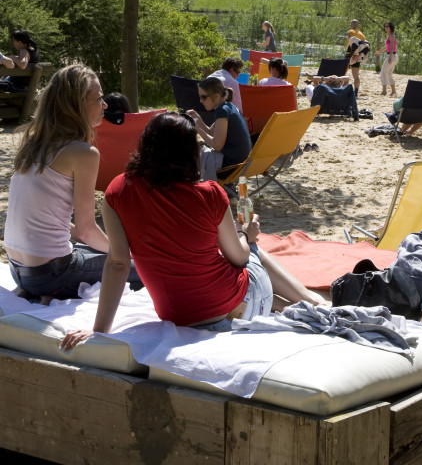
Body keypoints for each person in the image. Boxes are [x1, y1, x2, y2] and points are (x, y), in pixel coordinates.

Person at [60, 112, 327, 350]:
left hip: (178, 315)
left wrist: (98, 332)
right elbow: (239, 258)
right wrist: (246, 233)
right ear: (191, 152)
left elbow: (118, 263)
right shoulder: (211, 194)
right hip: (230, 304)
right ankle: (313, 303)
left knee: (239, 268)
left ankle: (298, 304)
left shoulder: (117, 191)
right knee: (255, 252)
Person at [3, 64, 142, 301]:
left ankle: (40, 292)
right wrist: (125, 256)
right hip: (51, 274)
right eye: (98, 99)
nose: (105, 105)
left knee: (99, 252)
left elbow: (46, 219)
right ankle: (51, 291)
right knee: (144, 266)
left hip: (19, 271)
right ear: (76, 105)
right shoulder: (83, 152)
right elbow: (86, 230)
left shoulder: (34, 144)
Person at [187, 76, 252, 181]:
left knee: (189, 150)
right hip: (241, 163)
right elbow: (211, 132)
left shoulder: (222, 111)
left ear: (216, 96)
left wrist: (195, 127)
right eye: (200, 97)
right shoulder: (229, 107)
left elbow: (217, 145)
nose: (200, 101)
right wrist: (198, 119)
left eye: (204, 97)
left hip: (230, 166)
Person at [374, 21, 398, 96]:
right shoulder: (389, 35)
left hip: (392, 56)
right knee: (389, 73)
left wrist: (390, 57)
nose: (386, 28)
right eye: (385, 26)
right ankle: (393, 91)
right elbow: (387, 47)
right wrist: (379, 52)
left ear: (391, 27)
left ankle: (384, 91)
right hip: (393, 56)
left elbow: (391, 48)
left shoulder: (391, 35)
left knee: (383, 72)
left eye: (388, 26)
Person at [346, 19, 369, 96]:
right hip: (358, 55)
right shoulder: (362, 35)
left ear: (350, 25)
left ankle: (341, 89)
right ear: (358, 25)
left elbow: (350, 43)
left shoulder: (350, 32)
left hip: (350, 53)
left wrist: (353, 54)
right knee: (356, 75)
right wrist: (359, 55)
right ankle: (355, 92)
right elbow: (364, 46)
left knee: (343, 72)